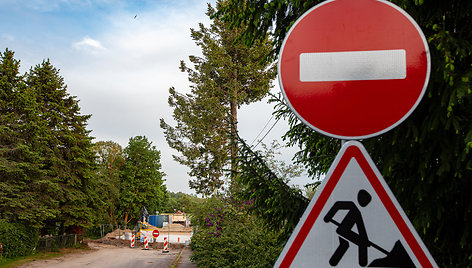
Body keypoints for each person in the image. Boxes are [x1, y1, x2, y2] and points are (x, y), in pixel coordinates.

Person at [323, 189, 372, 267]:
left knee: (355, 244)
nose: (366, 203)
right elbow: (337, 205)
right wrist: (327, 217)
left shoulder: (358, 212)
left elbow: (361, 228)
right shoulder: (353, 207)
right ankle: (362, 263)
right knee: (349, 244)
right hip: (343, 230)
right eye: (365, 200)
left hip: (345, 231)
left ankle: (363, 263)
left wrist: (365, 240)